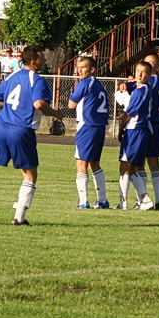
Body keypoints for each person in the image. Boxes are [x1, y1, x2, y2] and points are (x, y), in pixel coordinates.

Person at [0, 45, 64, 225]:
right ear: (33, 61)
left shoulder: (13, 75)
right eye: (42, 58)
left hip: (1, 127)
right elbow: (39, 104)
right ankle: (19, 218)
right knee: (30, 176)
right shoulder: (36, 79)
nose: (45, 61)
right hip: (21, 129)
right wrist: (56, 114)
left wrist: (9, 108)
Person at [67, 56, 110, 209]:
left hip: (87, 126)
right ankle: (102, 199)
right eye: (78, 67)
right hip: (99, 127)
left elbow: (71, 105)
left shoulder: (84, 83)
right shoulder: (99, 84)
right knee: (95, 164)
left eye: (83, 67)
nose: (79, 70)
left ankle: (83, 201)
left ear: (92, 69)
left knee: (81, 163)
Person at [116, 61, 154, 211]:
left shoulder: (140, 92)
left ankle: (124, 203)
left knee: (125, 165)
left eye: (143, 72)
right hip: (141, 130)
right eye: (138, 71)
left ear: (149, 75)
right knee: (134, 167)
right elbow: (131, 85)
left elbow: (128, 114)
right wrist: (124, 84)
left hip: (135, 130)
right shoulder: (143, 89)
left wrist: (120, 130)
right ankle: (144, 200)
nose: (139, 74)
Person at [142, 53, 159, 210]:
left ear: (157, 67)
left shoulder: (150, 81)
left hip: (148, 123)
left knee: (136, 163)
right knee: (153, 162)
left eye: (150, 64)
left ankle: (144, 199)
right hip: (157, 124)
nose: (146, 67)